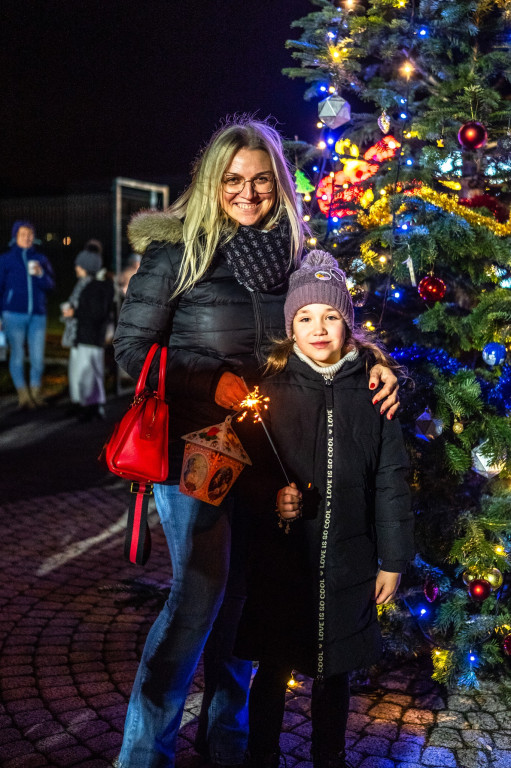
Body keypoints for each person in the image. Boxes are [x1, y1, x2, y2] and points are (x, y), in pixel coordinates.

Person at [112, 116, 400, 768]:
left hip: (271, 457)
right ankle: (140, 755)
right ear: (212, 183)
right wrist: (209, 380)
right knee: (197, 596)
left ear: (280, 188)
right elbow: (132, 350)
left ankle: (228, 747)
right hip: (197, 452)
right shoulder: (177, 253)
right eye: (234, 180)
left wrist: (374, 360)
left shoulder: (294, 259)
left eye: (261, 181)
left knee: (243, 607)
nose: (247, 193)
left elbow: (325, 328)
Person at [235, 250, 414, 768]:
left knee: (334, 670)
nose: (319, 328)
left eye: (332, 316)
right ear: (290, 327)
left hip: (350, 561)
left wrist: (393, 559)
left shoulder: (375, 394)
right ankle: (262, 753)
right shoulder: (269, 392)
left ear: (349, 326)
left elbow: (391, 478)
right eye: (306, 317)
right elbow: (248, 473)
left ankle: (329, 756)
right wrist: (272, 499)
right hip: (284, 564)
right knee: (272, 666)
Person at [0, 220, 55, 408]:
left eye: (30, 234)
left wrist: (41, 274)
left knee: (37, 359)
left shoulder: (40, 259)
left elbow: (50, 285)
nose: (27, 237)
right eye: (23, 234)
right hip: (12, 314)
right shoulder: (6, 260)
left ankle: (35, 394)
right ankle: (23, 395)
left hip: (37, 315)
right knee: (16, 355)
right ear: (15, 236)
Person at [61, 247, 114, 421]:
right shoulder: (85, 284)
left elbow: (97, 313)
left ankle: (93, 407)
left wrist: (74, 313)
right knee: (78, 372)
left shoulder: (98, 286)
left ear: (87, 266)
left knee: (90, 373)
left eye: (79, 264)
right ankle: (80, 403)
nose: (76, 267)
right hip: (81, 335)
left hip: (90, 337)